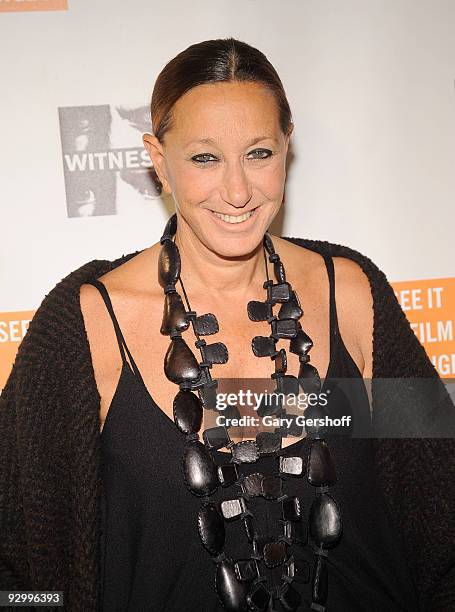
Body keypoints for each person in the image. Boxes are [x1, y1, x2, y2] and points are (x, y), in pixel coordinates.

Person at [1, 38, 454, 612]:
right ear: (159, 161)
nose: (238, 191)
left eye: (259, 153)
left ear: (287, 148)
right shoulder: (84, 324)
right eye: (205, 158)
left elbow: (444, 517)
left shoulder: (356, 292)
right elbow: (17, 572)